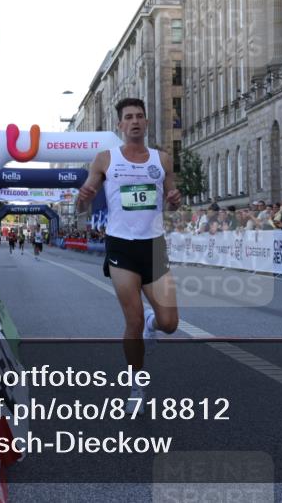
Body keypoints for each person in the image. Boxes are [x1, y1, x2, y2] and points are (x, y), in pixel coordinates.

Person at [76, 97, 181, 415]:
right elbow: (82, 205)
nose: (134, 121)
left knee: (169, 323)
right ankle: (137, 385)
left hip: (154, 245)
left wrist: (176, 199)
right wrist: (83, 198)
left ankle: (154, 323)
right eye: (128, 117)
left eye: (139, 116)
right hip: (121, 245)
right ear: (120, 125)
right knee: (132, 320)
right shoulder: (105, 159)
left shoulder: (162, 160)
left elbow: (172, 199)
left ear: (146, 123)